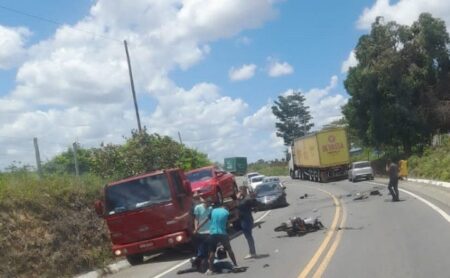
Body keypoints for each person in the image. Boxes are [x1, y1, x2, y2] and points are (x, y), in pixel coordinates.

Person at [196, 202, 238, 275]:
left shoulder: (213, 211)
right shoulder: (226, 212)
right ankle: (235, 265)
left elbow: (205, 220)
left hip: (213, 233)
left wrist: (197, 228)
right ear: (226, 208)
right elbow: (230, 222)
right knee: (229, 249)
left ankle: (210, 269)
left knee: (212, 252)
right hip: (222, 233)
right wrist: (234, 218)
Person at [236, 186, 257, 259]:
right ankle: (252, 252)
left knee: (248, 236)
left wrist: (237, 199)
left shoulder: (246, 199)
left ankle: (252, 252)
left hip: (246, 220)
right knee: (248, 236)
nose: (239, 192)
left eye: (240, 190)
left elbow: (239, 205)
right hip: (245, 219)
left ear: (243, 191)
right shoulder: (245, 198)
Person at [193, 194, 212, 260]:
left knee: (210, 246)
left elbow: (209, 219)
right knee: (201, 246)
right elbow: (196, 219)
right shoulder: (198, 208)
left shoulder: (210, 208)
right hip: (201, 231)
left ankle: (210, 259)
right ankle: (201, 259)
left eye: (210, 204)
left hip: (209, 230)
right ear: (205, 202)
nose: (209, 205)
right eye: (208, 203)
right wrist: (196, 228)